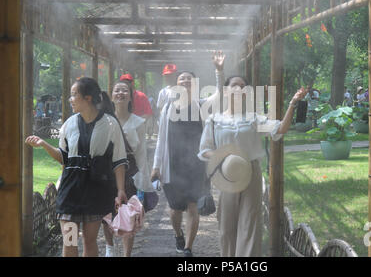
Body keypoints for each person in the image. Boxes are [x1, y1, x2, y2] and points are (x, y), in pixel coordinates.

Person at [198, 77, 308, 257]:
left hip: (251, 173)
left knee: (250, 224)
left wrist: (293, 103)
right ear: (225, 91)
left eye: (243, 86)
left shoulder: (253, 119)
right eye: (235, 85)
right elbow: (204, 150)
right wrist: (224, 157)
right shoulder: (214, 120)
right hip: (226, 174)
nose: (240, 89)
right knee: (226, 225)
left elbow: (280, 129)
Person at [25, 77, 128, 257]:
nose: (70, 100)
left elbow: (119, 161)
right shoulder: (69, 124)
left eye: (74, 95)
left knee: (89, 241)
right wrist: (44, 144)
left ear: (87, 98)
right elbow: (64, 159)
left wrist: (120, 190)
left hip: (96, 192)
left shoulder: (110, 124)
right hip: (70, 192)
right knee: (70, 241)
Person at [151, 53, 224, 257]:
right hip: (172, 165)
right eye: (181, 79)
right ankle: (177, 234)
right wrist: (156, 166)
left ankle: (188, 248)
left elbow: (219, 95)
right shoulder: (167, 109)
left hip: (197, 166)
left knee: (193, 206)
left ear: (195, 85)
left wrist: (219, 71)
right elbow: (160, 140)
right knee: (175, 209)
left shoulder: (201, 105)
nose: (184, 81)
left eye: (188, 79)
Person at [102, 80, 155, 257]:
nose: (120, 93)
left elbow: (141, 153)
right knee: (106, 210)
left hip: (130, 171)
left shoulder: (139, 122)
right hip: (108, 171)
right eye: (117, 90)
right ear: (111, 95)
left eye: (124, 90)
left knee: (129, 212)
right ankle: (109, 249)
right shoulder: (105, 121)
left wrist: (144, 179)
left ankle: (126, 254)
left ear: (130, 97)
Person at [119, 73, 153, 138]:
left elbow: (148, 113)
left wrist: (135, 124)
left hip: (138, 130)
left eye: (128, 81)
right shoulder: (119, 97)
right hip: (122, 130)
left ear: (133, 83)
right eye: (123, 82)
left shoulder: (141, 96)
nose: (126, 83)